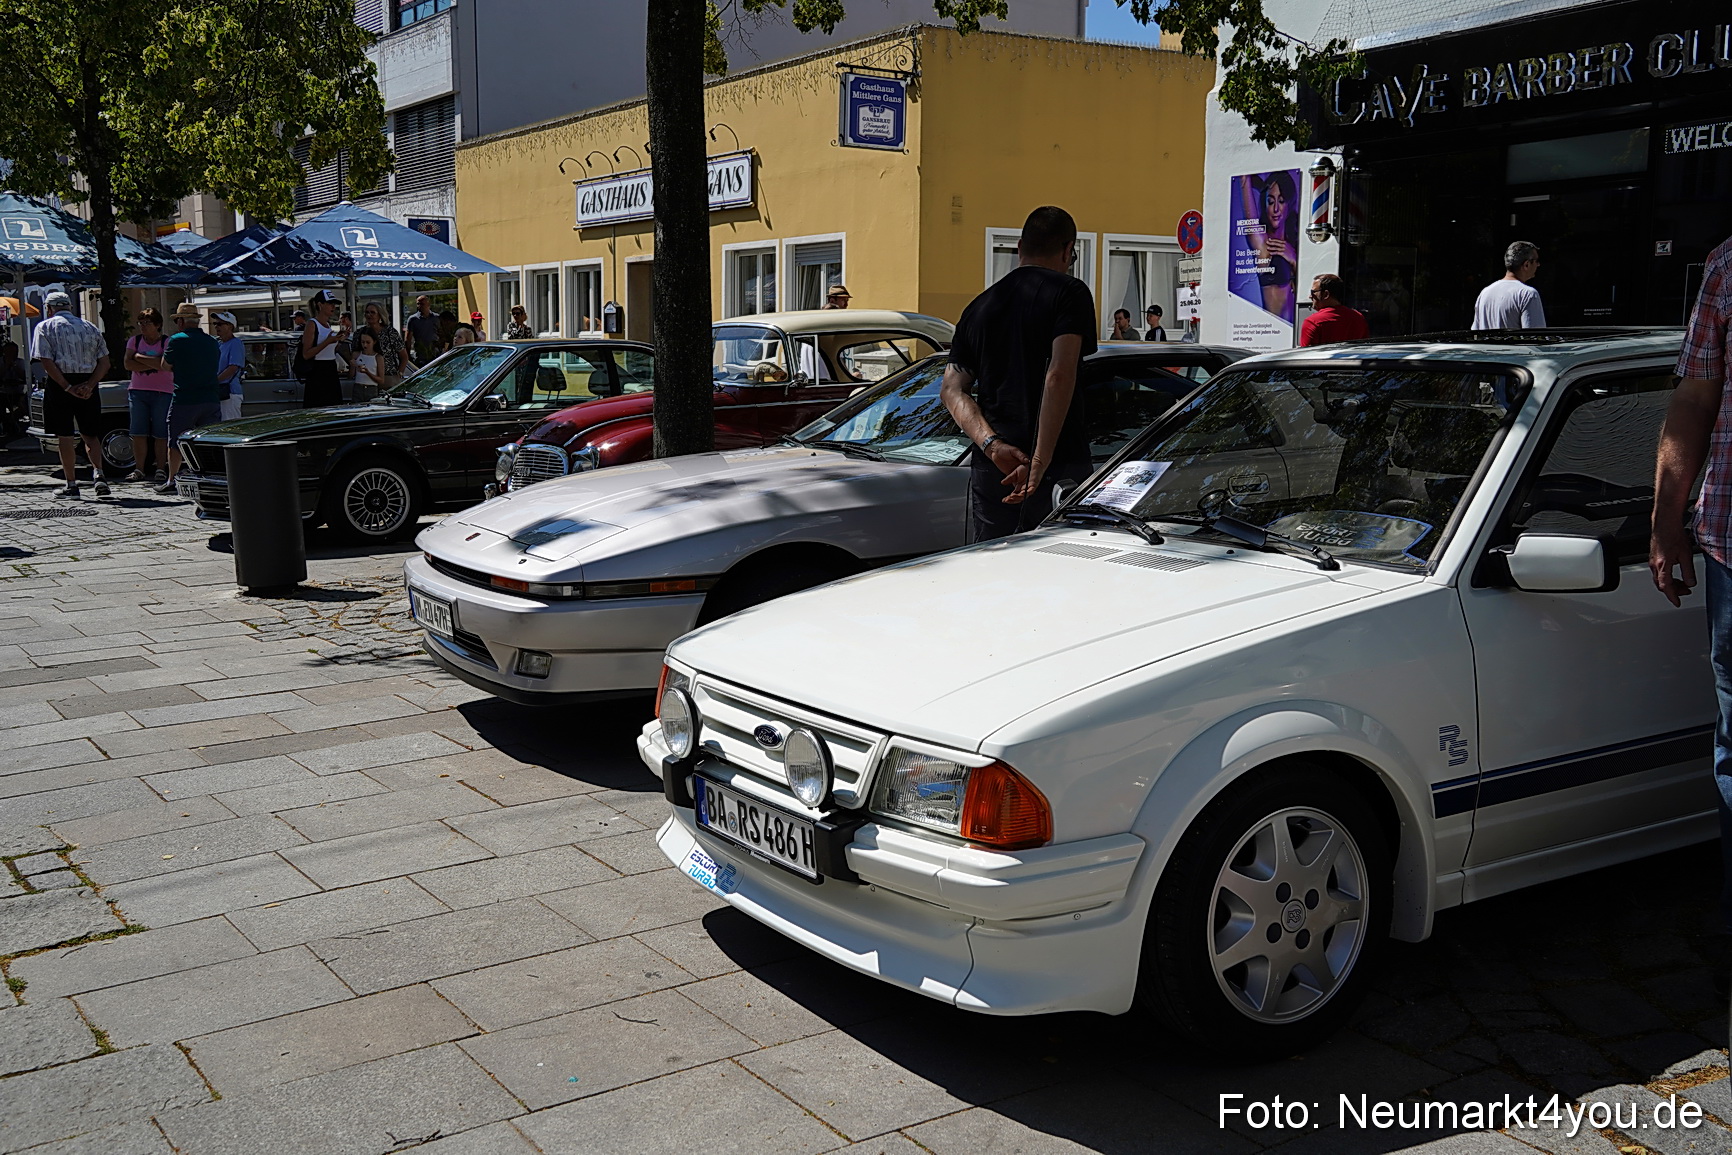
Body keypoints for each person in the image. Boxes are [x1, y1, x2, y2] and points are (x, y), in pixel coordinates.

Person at [1650, 230, 1732, 937]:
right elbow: (1696, 402)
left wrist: (1667, 523)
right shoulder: (1727, 265)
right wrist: (1664, 522)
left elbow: (1696, 402)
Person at [941, 205, 1097, 542]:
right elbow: (1059, 375)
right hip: (1058, 466)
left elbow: (952, 390)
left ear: (1019, 248)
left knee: (996, 566)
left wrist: (992, 446)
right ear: (1068, 250)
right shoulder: (1070, 293)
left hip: (995, 469)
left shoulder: (977, 307)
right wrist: (1040, 460)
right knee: (1062, 572)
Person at [32, 291, 111, 498]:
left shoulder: (45, 327)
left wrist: (67, 387)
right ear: (70, 307)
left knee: (65, 436)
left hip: (61, 384)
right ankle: (99, 475)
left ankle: (71, 484)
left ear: (49, 308)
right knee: (90, 434)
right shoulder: (90, 327)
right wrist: (90, 385)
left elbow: (46, 361)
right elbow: (105, 362)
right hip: (88, 381)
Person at [156, 302, 221, 494]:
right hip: (210, 398)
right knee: (208, 442)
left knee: (175, 440)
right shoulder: (212, 341)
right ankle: (210, 479)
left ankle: (172, 480)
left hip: (185, 398)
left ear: (181, 321)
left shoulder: (176, 340)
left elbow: (165, 366)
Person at [123, 308, 173, 482]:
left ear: (158, 325)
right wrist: (152, 363)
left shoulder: (167, 342)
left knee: (160, 432)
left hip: (163, 392)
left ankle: (160, 468)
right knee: (138, 432)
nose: (143, 327)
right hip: (138, 391)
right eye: (141, 323)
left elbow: (165, 365)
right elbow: (128, 364)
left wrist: (139, 358)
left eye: (147, 323)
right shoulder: (134, 341)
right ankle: (139, 469)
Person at [1241, 171, 1299, 319]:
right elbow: (1250, 220)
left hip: (1296, 330)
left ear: (1289, 203)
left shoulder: (1293, 243)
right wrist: (1247, 180)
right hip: (1274, 329)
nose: (1275, 209)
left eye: (1281, 201)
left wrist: (1294, 260)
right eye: (1271, 201)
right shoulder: (1263, 245)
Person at [1472, 241, 1546, 330]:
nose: (1538, 264)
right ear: (1526, 265)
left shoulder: (1485, 292)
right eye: (1536, 261)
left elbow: (1475, 334)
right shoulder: (1528, 294)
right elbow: (1535, 337)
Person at [300, 289, 346, 409]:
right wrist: (328, 341)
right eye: (330, 304)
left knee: (333, 406)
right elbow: (306, 354)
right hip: (318, 371)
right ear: (320, 305)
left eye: (334, 304)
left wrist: (339, 340)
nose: (333, 307)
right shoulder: (312, 324)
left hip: (330, 368)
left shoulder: (328, 324)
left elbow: (329, 351)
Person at [1299, 274, 1369, 347]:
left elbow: (1306, 355)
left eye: (1313, 292)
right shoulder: (1358, 318)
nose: (1310, 296)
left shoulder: (1312, 322)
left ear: (1326, 294)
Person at [360, 302, 410, 390]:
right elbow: (354, 354)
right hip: (366, 378)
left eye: (372, 312)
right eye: (367, 312)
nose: (369, 315)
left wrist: (400, 373)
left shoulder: (390, 332)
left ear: (380, 315)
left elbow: (404, 356)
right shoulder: (360, 333)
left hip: (388, 378)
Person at [213, 311, 246, 421]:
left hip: (229, 393)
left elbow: (233, 368)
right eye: (215, 324)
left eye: (220, 324)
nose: (217, 327)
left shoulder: (235, 343)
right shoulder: (219, 344)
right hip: (219, 392)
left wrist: (214, 381)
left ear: (230, 326)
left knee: (230, 429)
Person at [404, 295, 444, 364]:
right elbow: (408, 339)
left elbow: (441, 333)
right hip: (420, 356)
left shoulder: (436, 318)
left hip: (435, 355)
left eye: (422, 304)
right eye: (418, 304)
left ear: (428, 304)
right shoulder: (413, 319)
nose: (419, 306)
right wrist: (408, 355)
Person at [0, 340, 26, 443]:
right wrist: (6, 366)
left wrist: (15, 367)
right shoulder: (0, 361)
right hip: (2, 392)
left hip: (17, 392)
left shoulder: (21, 362)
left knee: (23, 406)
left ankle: (12, 420)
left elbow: (25, 377)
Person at [351, 328, 386, 394]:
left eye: (368, 342)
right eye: (363, 342)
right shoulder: (356, 354)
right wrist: (353, 366)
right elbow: (350, 376)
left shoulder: (378, 357)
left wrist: (368, 373)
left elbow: (381, 380)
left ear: (374, 342)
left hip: (371, 388)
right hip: (358, 387)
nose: (365, 345)